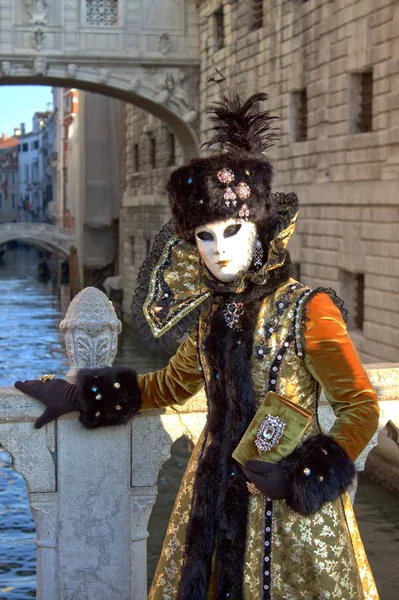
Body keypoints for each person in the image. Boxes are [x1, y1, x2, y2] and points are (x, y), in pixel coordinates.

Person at [15, 87, 380, 600]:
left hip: (287, 510)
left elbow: (360, 406)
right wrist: (81, 395)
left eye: (233, 231)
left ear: (260, 232)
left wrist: (303, 475)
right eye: (205, 237)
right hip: (209, 498)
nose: (219, 249)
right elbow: (170, 385)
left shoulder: (307, 309)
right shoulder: (211, 316)